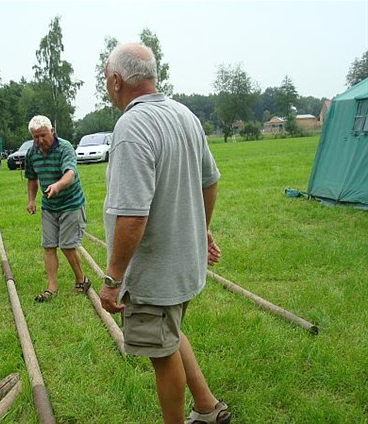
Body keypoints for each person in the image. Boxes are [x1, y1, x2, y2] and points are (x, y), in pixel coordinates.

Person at [99, 43, 230, 424]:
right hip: (181, 265)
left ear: (117, 80)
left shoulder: (132, 125)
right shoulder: (184, 114)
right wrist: (201, 231)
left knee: (161, 353)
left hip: (154, 272)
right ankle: (206, 407)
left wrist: (113, 280)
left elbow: (132, 216)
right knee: (169, 334)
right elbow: (211, 181)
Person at [25, 115, 90, 302]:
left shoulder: (65, 147)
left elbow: (70, 173)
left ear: (51, 131)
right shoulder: (32, 152)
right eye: (35, 137)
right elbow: (31, 178)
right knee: (49, 246)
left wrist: (57, 186)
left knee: (68, 246)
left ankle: (81, 279)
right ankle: (51, 287)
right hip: (49, 206)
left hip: (71, 203)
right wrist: (31, 200)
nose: (39, 140)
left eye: (43, 135)